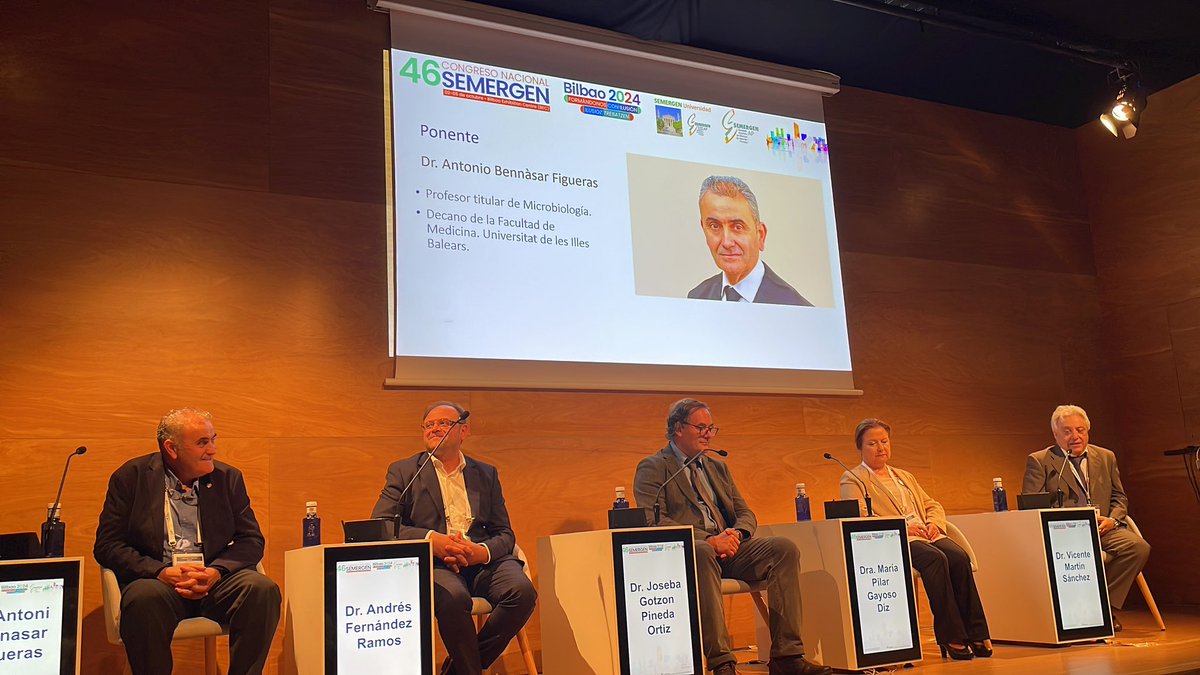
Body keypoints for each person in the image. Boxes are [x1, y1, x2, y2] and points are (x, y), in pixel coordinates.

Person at [633, 398, 830, 675]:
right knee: (701, 551)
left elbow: (745, 512)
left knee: (783, 548)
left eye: (712, 428)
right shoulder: (654, 467)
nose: (708, 434)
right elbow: (654, 521)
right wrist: (708, 540)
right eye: (701, 427)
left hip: (731, 547)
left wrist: (736, 534)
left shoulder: (717, 467)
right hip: (690, 554)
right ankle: (722, 663)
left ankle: (787, 657)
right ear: (678, 428)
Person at [93, 408, 280, 675]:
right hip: (159, 584)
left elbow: (251, 540)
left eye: (213, 439)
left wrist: (216, 572)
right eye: (203, 442)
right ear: (172, 448)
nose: (213, 449)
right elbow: (108, 545)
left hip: (214, 581)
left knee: (261, 588)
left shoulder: (228, 478)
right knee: (142, 598)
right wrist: (159, 572)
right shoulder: (131, 477)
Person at [371, 401, 536, 675]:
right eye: (429, 424)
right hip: (436, 563)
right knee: (454, 598)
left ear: (463, 431)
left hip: (483, 562)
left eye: (444, 423)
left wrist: (480, 551)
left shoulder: (485, 473)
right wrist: (431, 540)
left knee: (522, 593)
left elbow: (505, 533)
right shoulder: (404, 471)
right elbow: (381, 525)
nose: (435, 428)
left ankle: (459, 670)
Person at [839, 419, 991, 660]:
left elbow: (932, 504)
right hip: (895, 539)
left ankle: (975, 631)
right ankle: (951, 635)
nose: (881, 448)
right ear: (860, 447)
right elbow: (861, 516)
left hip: (926, 533)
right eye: (873, 443)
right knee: (935, 559)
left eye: (884, 441)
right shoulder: (852, 479)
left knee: (959, 558)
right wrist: (905, 527)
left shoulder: (904, 476)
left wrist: (934, 524)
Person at [1022, 404, 1150, 632]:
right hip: (1065, 533)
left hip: (1102, 528)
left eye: (1080, 430)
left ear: (1088, 431)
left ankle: (1105, 607)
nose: (1075, 436)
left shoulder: (1106, 456)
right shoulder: (1040, 460)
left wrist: (1113, 520)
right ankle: (1081, 613)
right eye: (1068, 431)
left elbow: (1119, 497)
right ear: (1056, 434)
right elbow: (1031, 507)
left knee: (1138, 547)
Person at [687, 175, 812, 306]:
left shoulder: (797, 307)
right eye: (714, 226)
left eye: (737, 227)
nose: (726, 242)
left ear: (760, 235)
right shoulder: (696, 297)